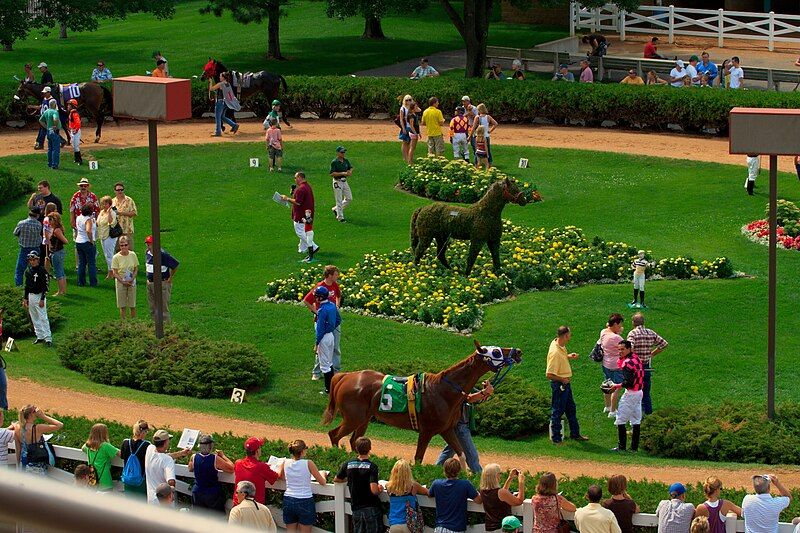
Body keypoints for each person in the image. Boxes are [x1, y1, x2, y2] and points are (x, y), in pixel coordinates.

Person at [435, 379, 494, 474]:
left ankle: (434, 472)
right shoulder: (456, 385)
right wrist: (484, 392)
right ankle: (480, 479)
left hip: (459, 424)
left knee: (449, 451)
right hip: (459, 425)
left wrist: (485, 391)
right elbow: (469, 398)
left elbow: (478, 398)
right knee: (472, 455)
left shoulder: (467, 383)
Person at [546, 326, 588, 444]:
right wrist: (562, 379)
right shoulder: (555, 353)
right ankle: (556, 438)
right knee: (557, 411)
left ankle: (575, 433)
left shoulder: (558, 344)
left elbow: (561, 357)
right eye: (569, 335)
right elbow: (549, 374)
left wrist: (568, 356)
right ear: (565, 336)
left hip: (565, 383)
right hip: (560, 385)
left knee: (571, 409)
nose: (570, 337)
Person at [334, 437, 383, 533]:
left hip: (356, 508)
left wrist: (349, 478)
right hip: (371, 507)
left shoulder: (348, 464)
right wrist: (379, 489)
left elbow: (337, 479)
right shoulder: (372, 467)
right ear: (370, 449)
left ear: (356, 448)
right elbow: (374, 490)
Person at [278, 439, 328, 532]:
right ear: (302, 451)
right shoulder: (308, 463)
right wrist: (323, 474)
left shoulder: (285, 462)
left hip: (288, 499)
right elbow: (322, 482)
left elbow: (280, 477)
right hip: (305, 500)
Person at [303, 265, 342, 380]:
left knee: (335, 346)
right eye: (336, 274)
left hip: (334, 321)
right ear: (329, 275)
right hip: (322, 322)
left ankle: (336, 370)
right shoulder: (320, 287)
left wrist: (337, 305)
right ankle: (316, 371)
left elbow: (338, 295)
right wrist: (317, 312)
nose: (337, 276)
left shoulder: (334, 285)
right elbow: (306, 301)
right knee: (321, 347)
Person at [626, 312, 668, 415]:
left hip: (635, 368)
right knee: (646, 393)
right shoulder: (650, 332)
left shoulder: (633, 334)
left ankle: (637, 415)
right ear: (643, 322)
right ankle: (649, 414)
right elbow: (664, 344)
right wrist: (652, 354)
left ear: (633, 323)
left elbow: (629, 347)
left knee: (635, 392)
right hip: (646, 367)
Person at [430, 457, 482, 533]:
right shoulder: (465, 484)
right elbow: (478, 500)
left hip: (439, 529)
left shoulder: (436, 484)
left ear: (444, 471)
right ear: (459, 471)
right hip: (456, 529)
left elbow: (429, 494)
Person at [610, 340, 643, 453]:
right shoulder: (636, 358)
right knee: (636, 420)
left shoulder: (627, 363)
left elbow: (628, 382)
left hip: (631, 394)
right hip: (639, 393)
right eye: (619, 349)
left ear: (629, 349)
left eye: (622, 349)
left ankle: (622, 447)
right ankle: (634, 448)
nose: (620, 351)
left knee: (620, 420)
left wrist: (616, 386)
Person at [188, 434, 234, 511]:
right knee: (216, 518)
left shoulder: (194, 457)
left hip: (197, 491)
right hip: (212, 493)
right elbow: (231, 469)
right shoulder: (215, 458)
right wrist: (223, 456)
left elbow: (190, 468)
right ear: (210, 446)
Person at [145, 429, 190, 504]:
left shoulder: (149, 449)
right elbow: (171, 481)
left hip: (151, 499)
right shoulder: (168, 460)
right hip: (164, 502)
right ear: (165, 443)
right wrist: (171, 492)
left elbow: (161, 456)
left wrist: (181, 453)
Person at [281, 172, 319, 263]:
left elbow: (298, 202)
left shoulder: (301, 189)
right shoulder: (307, 186)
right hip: (307, 213)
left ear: (299, 177)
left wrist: (287, 198)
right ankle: (302, 249)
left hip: (301, 215)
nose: (295, 180)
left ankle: (313, 247)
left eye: (295, 178)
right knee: (303, 231)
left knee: (300, 232)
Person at [14, 405, 63, 475]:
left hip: (24, 464)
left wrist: (18, 465)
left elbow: (18, 449)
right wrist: (43, 416)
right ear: (31, 414)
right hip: (37, 467)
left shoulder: (17, 428)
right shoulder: (38, 428)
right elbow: (60, 425)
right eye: (35, 411)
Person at [233, 437, 279, 505]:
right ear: (257, 451)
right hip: (255, 507)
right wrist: (281, 465)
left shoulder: (238, 463)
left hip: (238, 506)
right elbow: (276, 477)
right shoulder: (262, 467)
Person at [386, 459, 429, 533]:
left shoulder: (389, 486)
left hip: (394, 525)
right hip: (409, 525)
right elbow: (427, 492)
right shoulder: (413, 486)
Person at [480, 464, 525, 532]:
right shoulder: (500, 492)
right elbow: (519, 501)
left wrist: (510, 478)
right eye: (500, 473)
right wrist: (521, 482)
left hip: (489, 528)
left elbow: (501, 495)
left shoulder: (483, 491)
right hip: (502, 528)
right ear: (496, 476)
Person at [144, 235, 179, 322]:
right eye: (147, 244)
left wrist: (170, 277)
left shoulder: (162, 254)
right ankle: (153, 327)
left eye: (150, 244)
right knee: (152, 308)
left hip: (162, 283)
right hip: (150, 284)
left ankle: (167, 329)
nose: (148, 246)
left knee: (163, 309)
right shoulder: (147, 253)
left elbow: (175, 265)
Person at [314, 285, 341, 395]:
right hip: (331, 336)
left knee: (325, 365)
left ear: (320, 298)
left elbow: (320, 330)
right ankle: (331, 387)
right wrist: (331, 326)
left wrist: (316, 343)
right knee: (329, 362)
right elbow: (338, 319)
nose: (315, 298)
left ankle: (328, 389)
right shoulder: (332, 305)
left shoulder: (322, 310)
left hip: (324, 338)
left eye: (317, 296)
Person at [23, 251, 52, 347]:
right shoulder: (28, 271)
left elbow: (46, 286)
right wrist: (25, 298)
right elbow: (27, 286)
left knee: (43, 317)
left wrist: (42, 298)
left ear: (38, 260)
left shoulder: (42, 270)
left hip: (39, 296)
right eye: (31, 260)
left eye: (34, 259)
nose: (32, 262)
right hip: (31, 296)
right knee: (34, 316)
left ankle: (48, 338)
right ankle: (39, 335)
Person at [81, 423, 121, 492]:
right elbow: (120, 454)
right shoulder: (105, 446)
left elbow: (82, 448)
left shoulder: (88, 445)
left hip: (92, 480)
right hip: (105, 482)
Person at [599, 313, 625, 417]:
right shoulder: (616, 338)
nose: (620, 327)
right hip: (616, 365)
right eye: (619, 325)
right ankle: (613, 411)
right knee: (616, 387)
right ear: (614, 324)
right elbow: (627, 346)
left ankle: (607, 406)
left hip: (606, 363)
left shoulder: (603, 332)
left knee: (607, 384)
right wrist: (619, 333)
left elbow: (607, 326)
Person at [120, 420, 151, 497]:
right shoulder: (147, 445)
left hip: (127, 478)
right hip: (140, 480)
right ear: (143, 432)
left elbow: (122, 456)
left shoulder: (125, 442)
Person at [14, 210, 43, 287]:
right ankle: (34, 286)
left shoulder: (21, 223)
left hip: (24, 249)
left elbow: (15, 233)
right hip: (35, 249)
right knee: (34, 270)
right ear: (37, 215)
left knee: (19, 270)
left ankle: (19, 287)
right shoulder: (39, 224)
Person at [112, 236, 138, 319]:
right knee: (122, 305)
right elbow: (114, 272)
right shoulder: (116, 257)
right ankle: (123, 322)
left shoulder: (133, 255)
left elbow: (136, 269)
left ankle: (134, 322)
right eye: (121, 245)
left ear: (128, 245)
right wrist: (123, 281)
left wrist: (132, 279)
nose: (124, 247)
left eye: (125, 245)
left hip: (131, 281)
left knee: (132, 304)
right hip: (120, 281)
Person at [209, 71, 240, 137]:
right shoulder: (228, 84)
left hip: (220, 102)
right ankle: (234, 125)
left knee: (217, 117)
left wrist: (210, 82)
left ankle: (218, 132)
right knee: (222, 116)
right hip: (226, 103)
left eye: (220, 76)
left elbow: (211, 89)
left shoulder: (221, 84)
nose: (219, 77)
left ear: (223, 77)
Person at [75, 204, 98, 287]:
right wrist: (91, 241)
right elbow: (88, 231)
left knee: (82, 263)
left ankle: (81, 282)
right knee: (91, 263)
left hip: (79, 242)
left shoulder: (78, 217)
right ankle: (93, 282)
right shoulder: (88, 220)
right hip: (87, 242)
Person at [330, 146, 354, 222]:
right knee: (339, 200)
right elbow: (332, 174)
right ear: (337, 153)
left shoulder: (346, 160)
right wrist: (343, 173)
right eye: (342, 152)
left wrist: (350, 171)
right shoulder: (334, 162)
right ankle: (340, 217)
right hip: (337, 182)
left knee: (349, 198)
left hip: (344, 181)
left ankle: (336, 209)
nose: (343, 153)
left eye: (344, 152)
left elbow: (351, 167)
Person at [47, 212, 68, 297]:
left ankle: (60, 291)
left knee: (58, 272)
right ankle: (63, 290)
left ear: (54, 220)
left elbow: (65, 241)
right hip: (58, 252)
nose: (48, 221)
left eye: (50, 219)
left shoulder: (56, 230)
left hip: (57, 252)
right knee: (61, 271)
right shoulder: (56, 229)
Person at [97, 196, 118, 278]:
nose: (104, 205)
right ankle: (111, 271)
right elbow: (98, 222)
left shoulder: (112, 212)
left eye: (106, 204)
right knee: (106, 254)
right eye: (103, 204)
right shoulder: (102, 212)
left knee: (109, 254)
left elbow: (111, 223)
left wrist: (109, 212)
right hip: (102, 235)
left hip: (110, 236)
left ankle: (113, 272)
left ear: (110, 204)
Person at [112, 182, 137, 249]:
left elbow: (134, 213)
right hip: (117, 231)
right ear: (115, 191)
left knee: (129, 250)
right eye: (118, 190)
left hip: (127, 230)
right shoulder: (112, 201)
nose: (120, 191)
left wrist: (120, 213)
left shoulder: (129, 200)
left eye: (121, 189)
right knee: (118, 250)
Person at [40, 99, 61, 169]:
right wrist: (55, 125)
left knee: (50, 148)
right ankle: (55, 164)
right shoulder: (54, 111)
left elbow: (41, 120)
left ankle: (50, 163)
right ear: (55, 104)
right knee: (56, 149)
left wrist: (46, 127)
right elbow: (55, 119)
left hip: (49, 131)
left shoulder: (46, 111)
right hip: (54, 132)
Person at [34, 86, 56, 150]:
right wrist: (32, 107)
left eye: (45, 93)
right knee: (44, 131)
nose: (44, 94)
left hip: (47, 119)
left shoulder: (52, 100)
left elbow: (53, 111)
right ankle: (62, 141)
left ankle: (40, 144)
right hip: (43, 118)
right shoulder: (44, 99)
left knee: (44, 131)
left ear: (49, 92)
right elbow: (41, 107)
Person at [398, 95, 415, 164]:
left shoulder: (412, 108)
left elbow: (419, 110)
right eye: (406, 100)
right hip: (406, 127)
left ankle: (409, 156)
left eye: (410, 100)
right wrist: (403, 128)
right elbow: (401, 119)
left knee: (410, 143)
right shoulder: (403, 108)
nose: (408, 101)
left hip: (412, 127)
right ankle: (405, 157)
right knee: (405, 142)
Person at [66, 98, 83, 165]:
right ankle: (76, 159)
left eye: (69, 105)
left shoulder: (74, 113)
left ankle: (80, 160)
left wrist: (75, 130)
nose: (68, 106)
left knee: (76, 146)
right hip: (73, 131)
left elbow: (78, 123)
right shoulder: (71, 113)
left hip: (75, 132)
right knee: (74, 145)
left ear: (72, 106)